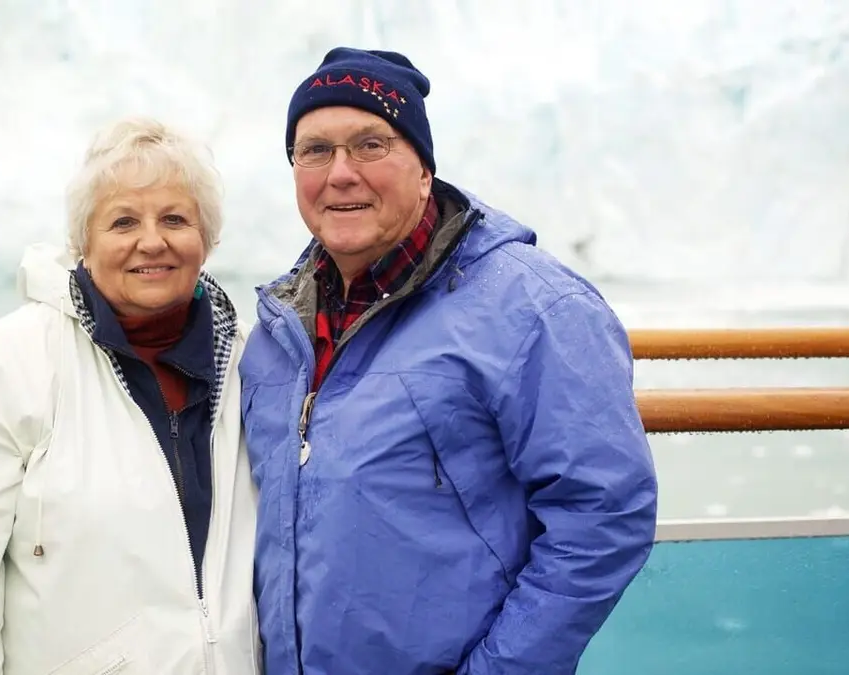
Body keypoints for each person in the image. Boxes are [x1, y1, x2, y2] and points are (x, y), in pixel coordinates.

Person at [239, 47, 659, 674]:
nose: (341, 173)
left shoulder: (533, 307)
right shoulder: (280, 330)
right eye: (315, 150)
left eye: (371, 145)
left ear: (424, 170)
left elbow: (603, 515)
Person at [0, 117, 261, 675]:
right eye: (123, 221)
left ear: (206, 239)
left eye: (176, 219)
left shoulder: (251, 367)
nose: (152, 241)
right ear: (81, 242)